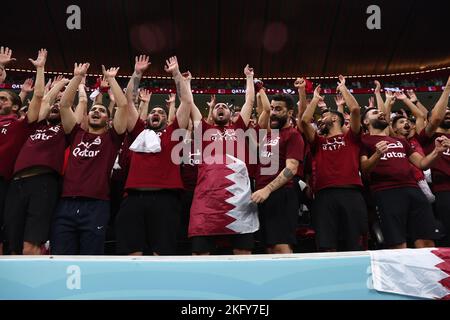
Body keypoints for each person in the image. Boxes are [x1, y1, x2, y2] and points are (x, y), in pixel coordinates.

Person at [115, 56, 191, 256]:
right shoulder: (138, 130)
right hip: (133, 198)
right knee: (132, 254)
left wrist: (176, 74)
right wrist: (137, 73)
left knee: (162, 254)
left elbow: (187, 102)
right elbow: (127, 101)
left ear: (167, 118)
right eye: (153, 111)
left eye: (161, 112)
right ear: (147, 116)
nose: (156, 113)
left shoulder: (174, 132)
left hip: (166, 199)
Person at [50, 62, 128, 255]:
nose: (96, 111)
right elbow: (65, 105)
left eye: (102, 111)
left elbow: (123, 105)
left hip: (97, 204)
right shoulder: (75, 133)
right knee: (61, 256)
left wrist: (111, 79)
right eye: (94, 110)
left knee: (91, 257)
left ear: (108, 120)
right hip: (66, 203)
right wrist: (77, 78)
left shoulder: (112, 139)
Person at [188, 65, 259, 255]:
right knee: (200, 253)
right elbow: (189, 104)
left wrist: (249, 77)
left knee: (242, 251)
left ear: (230, 114)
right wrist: (186, 82)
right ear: (211, 114)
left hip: (239, 197)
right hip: (207, 198)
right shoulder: (203, 129)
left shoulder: (239, 128)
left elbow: (249, 101)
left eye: (225, 106)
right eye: (217, 106)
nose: (220, 107)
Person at [360, 106, 449, 249]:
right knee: (397, 242)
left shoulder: (400, 141)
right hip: (386, 191)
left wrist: (437, 152)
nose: (381, 113)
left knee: (426, 239)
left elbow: (422, 163)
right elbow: (364, 168)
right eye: (375, 113)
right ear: (365, 121)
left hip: (414, 190)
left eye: (381, 112)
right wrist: (377, 154)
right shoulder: (364, 141)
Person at [4, 73, 72, 255]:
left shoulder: (64, 130)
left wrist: (68, 85)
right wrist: (53, 89)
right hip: (16, 183)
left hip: (43, 183)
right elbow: (42, 101)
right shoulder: (31, 126)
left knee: (29, 245)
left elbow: (65, 107)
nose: (55, 107)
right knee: (12, 245)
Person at [300, 76, 368, 252]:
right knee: (327, 244)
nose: (321, 119)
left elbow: (354, 109)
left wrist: (343, 87)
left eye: (325, 115)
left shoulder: (351, 138)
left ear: (337, 119)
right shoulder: (318, 142)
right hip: (323, 195)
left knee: (355, 244)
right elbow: (304, 122)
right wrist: (314, 98)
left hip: (351, 193)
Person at [0, 49, 45, 255]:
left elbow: (38, 97)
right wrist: (1, 68)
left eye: (4, 99)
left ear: (16, 106)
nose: (0, 102)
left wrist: (40, 69)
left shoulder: (18, 125)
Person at [252, 92, 304, 254]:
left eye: (278, 109)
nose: (273, 112)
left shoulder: (293, 135)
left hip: (282, 195)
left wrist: (267, 189)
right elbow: (262, 117)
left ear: (289, 113)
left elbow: (291, 168)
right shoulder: (269, 135)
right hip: (263, 196)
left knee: (280, 246)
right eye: (272, 108)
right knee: (269, 246)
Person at [417, 75, 450, 245]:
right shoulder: (429, 137)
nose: (447, 113)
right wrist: (448, 89)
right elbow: (436, 118)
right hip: (445, 190)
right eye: (445, 111)